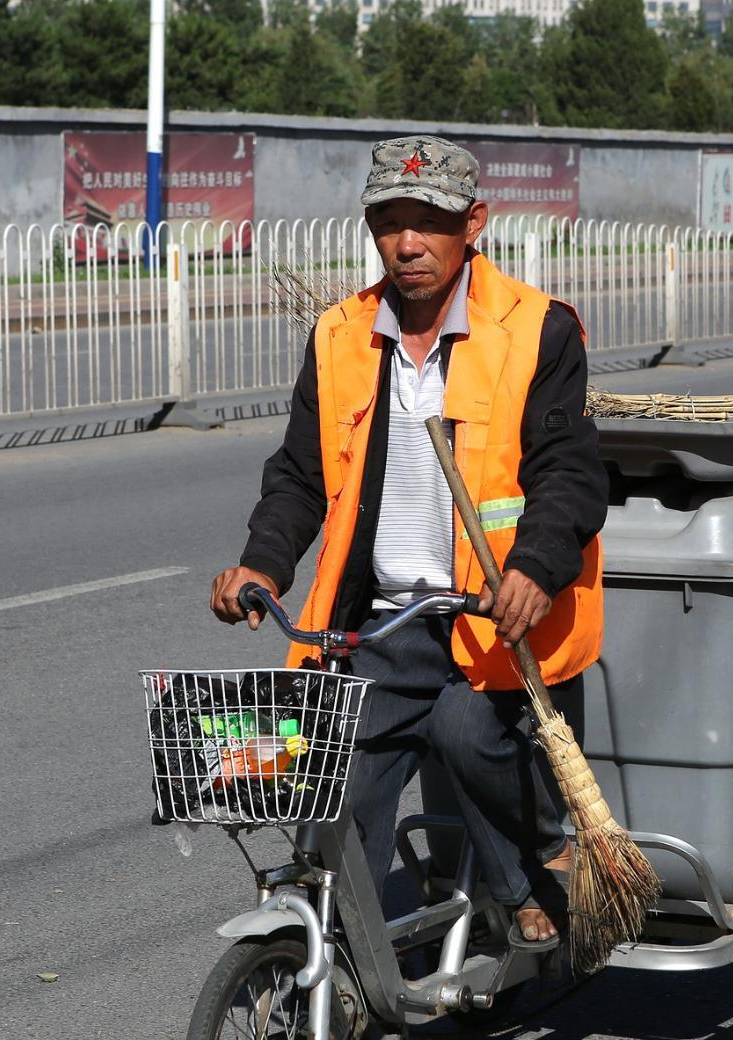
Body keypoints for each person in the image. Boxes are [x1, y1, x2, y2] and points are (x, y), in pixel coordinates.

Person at [209, 135, 606, 949]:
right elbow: (300, 474)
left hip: (495, 623)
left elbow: (570, 477)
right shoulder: (340, 335)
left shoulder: (537, 330)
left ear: (474, 225)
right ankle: (338, 990)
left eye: (429, 222)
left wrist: (533, 568)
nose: (408, 243)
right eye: (389, 221)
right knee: (334, 801)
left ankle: (535, 865)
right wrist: (262, 561)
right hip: (383, 620)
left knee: (465, 733)